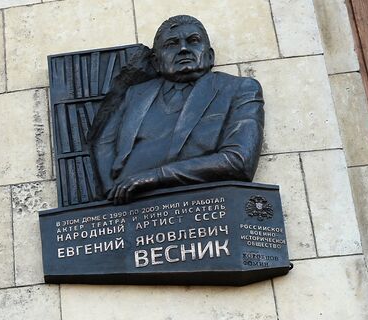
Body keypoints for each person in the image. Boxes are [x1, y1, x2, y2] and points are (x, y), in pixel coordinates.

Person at [92, 15, 265, 203]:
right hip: (127, 205)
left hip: (199, 204)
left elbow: (239, 161)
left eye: (193, 41)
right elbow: (103, 143)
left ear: (210, 56)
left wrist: (156, 176)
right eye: (172, 44)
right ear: (156, 63)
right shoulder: (135, 94)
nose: (183, 49)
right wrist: (111, 191)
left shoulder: (239, 89)